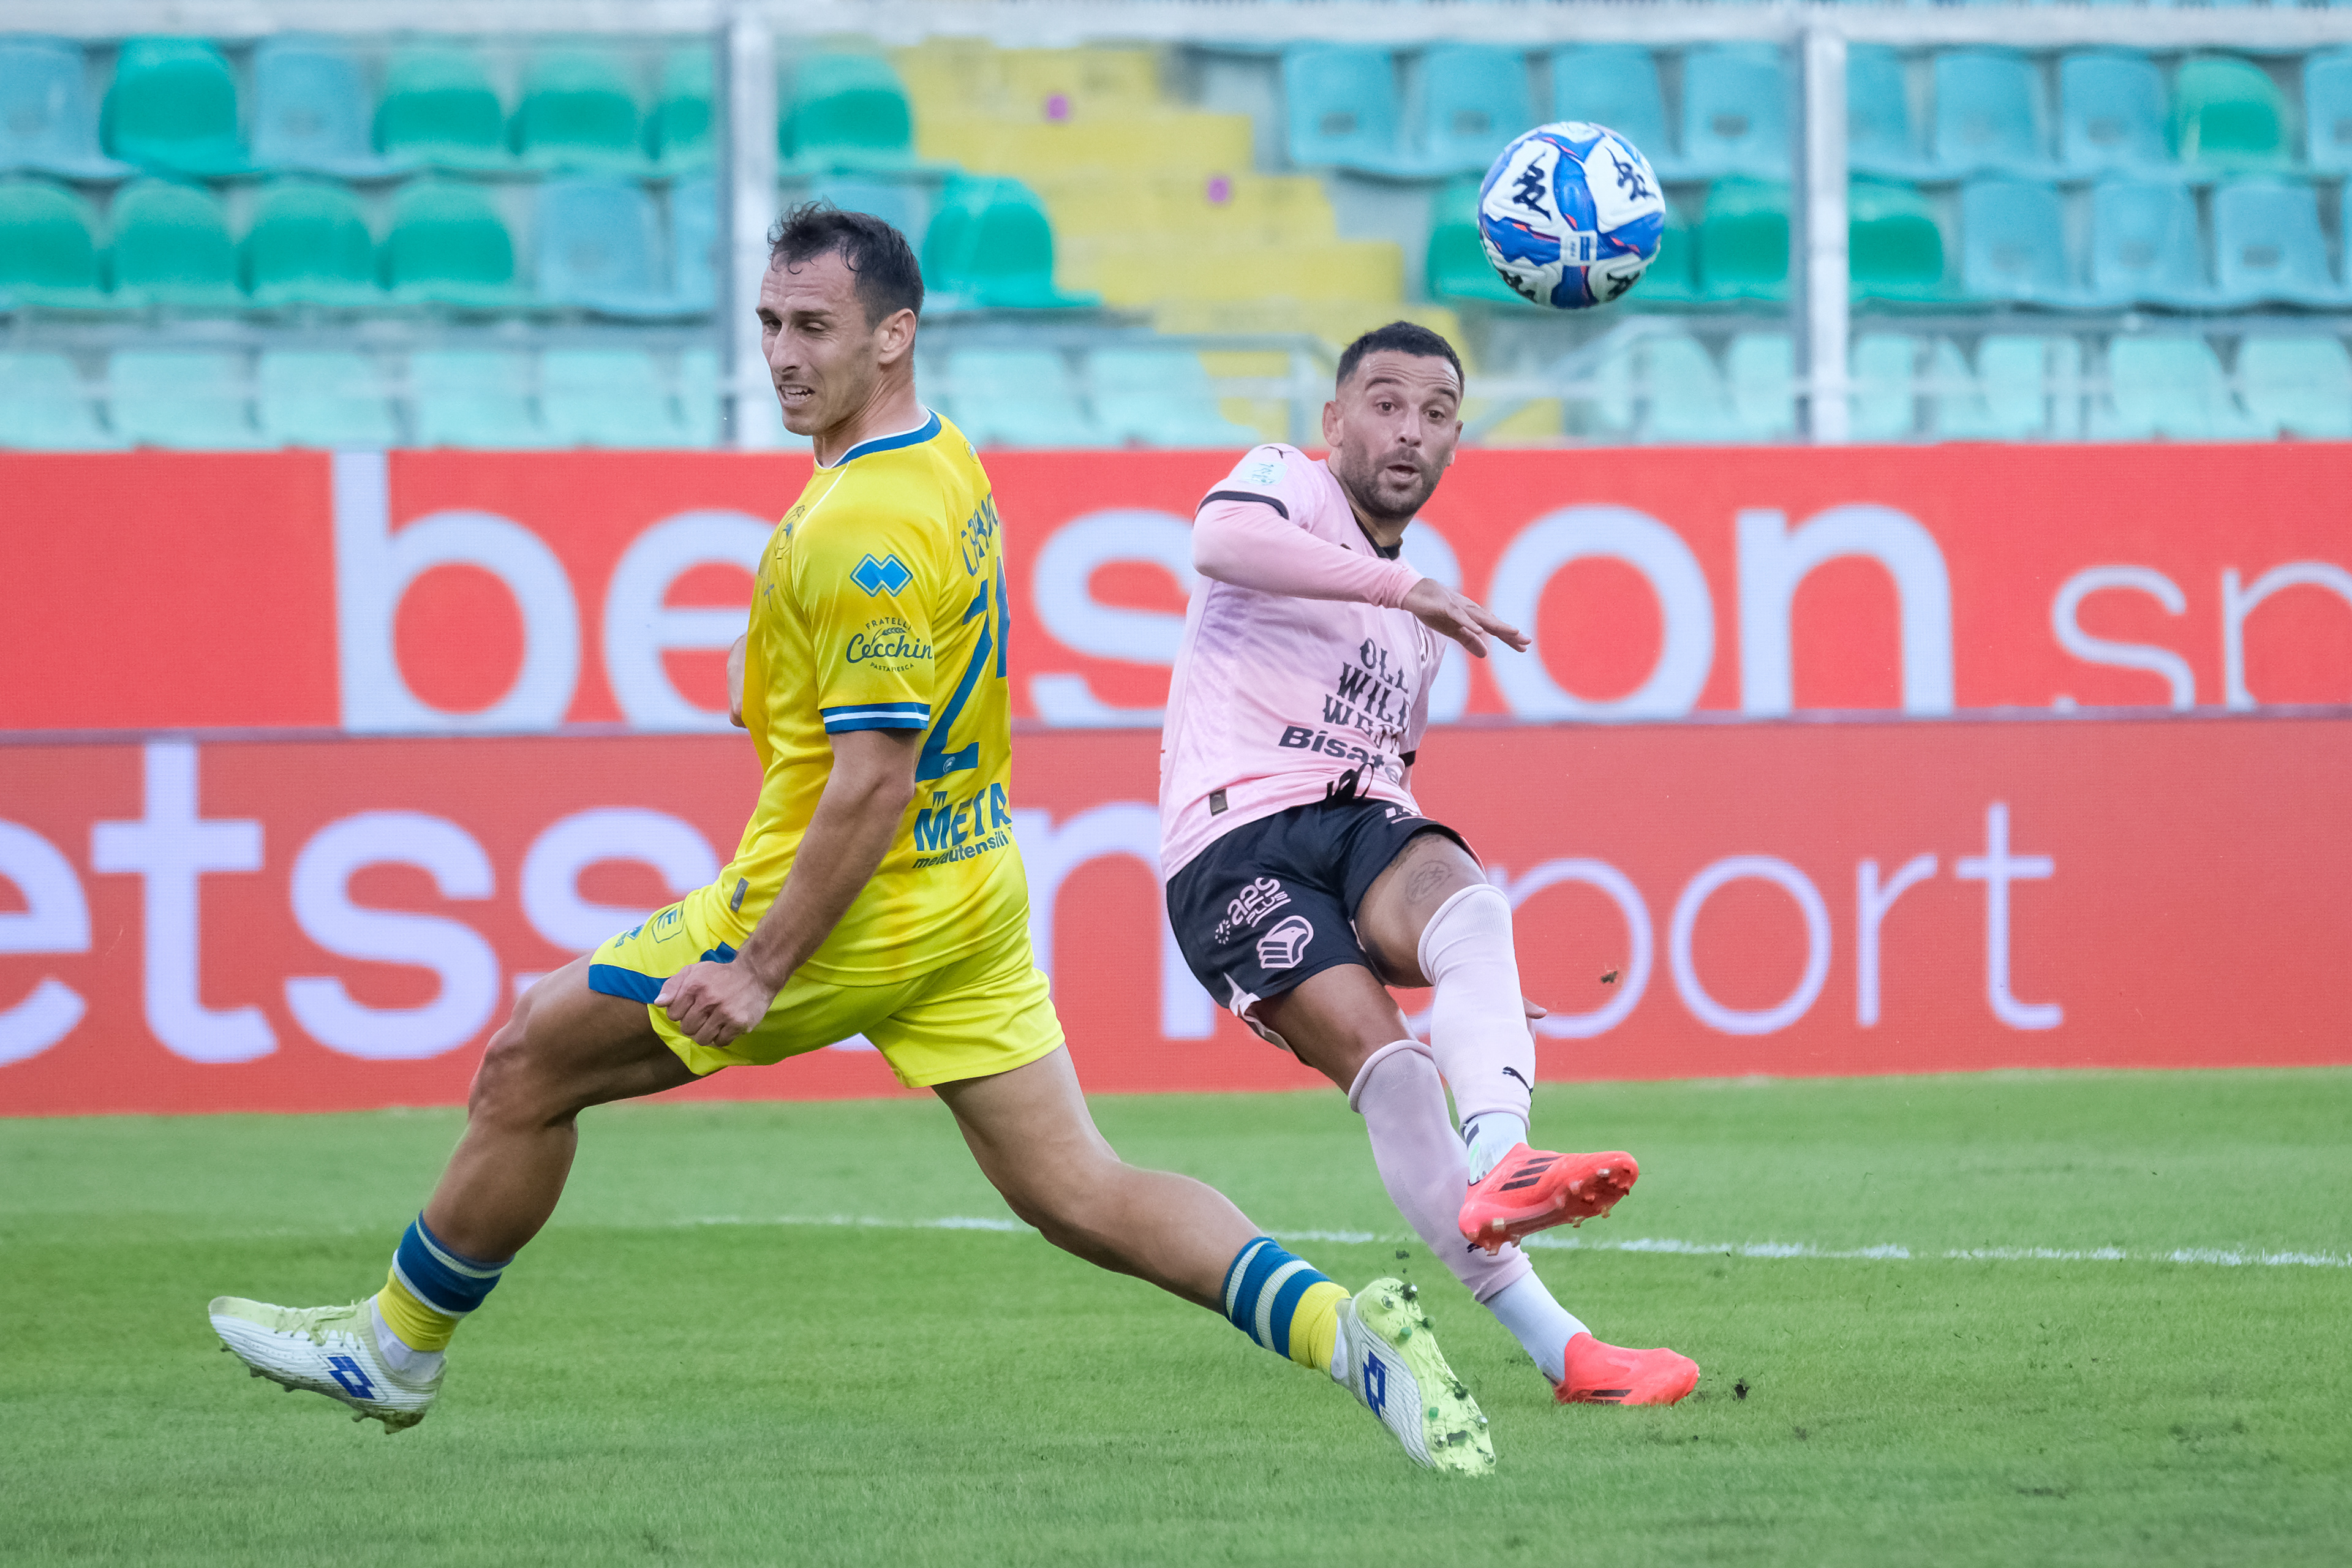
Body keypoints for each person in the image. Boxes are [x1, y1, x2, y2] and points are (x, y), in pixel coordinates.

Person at [208, 209, 1492, 1476]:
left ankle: (399, 1342)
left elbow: (871, 780)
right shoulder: (939, 460)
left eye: (812, 325)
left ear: (894, 336)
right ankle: (1351, 1335)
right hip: (972, 888)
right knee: (1081, 1190)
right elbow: (882, 671)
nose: (781, 351)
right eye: (769, 321)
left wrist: (762, 963)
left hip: (851, 901)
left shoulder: (857, 520)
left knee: (521, 1067)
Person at [1158, 321, 1699, 1406]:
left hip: (1355, 818)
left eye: (1438, 414)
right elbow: (1218, 545)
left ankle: (1510, 1168)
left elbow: (1392, 790)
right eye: (1388, 404)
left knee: (1472, 912)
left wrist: (1469, 993)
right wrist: (1403, 590)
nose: (1411, 432)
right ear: (1335, 421)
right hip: (1230, 843)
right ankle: (1563, 1343)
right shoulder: (1287, 486)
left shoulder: (1416, 633)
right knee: (1398, 1080)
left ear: (1456, 444)